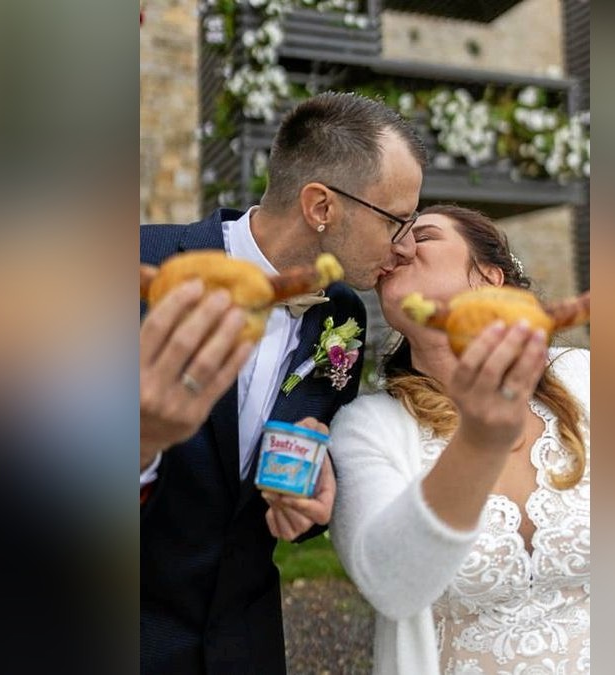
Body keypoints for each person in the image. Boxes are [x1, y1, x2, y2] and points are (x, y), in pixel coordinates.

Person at [139, 92, 427, 674]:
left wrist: (308, 509)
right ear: (321, 206)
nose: (409, 246)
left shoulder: (342, 315)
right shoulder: (135, 264)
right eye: (397, 221)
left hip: (247, 646)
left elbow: (294, 469)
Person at [318, 205, 591, 673]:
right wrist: (479, 443)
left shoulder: (584, 377)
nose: (399, 247)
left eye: (422, 236)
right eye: (393, 241)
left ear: (488, 276)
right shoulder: (369, 427)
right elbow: (392, 585)